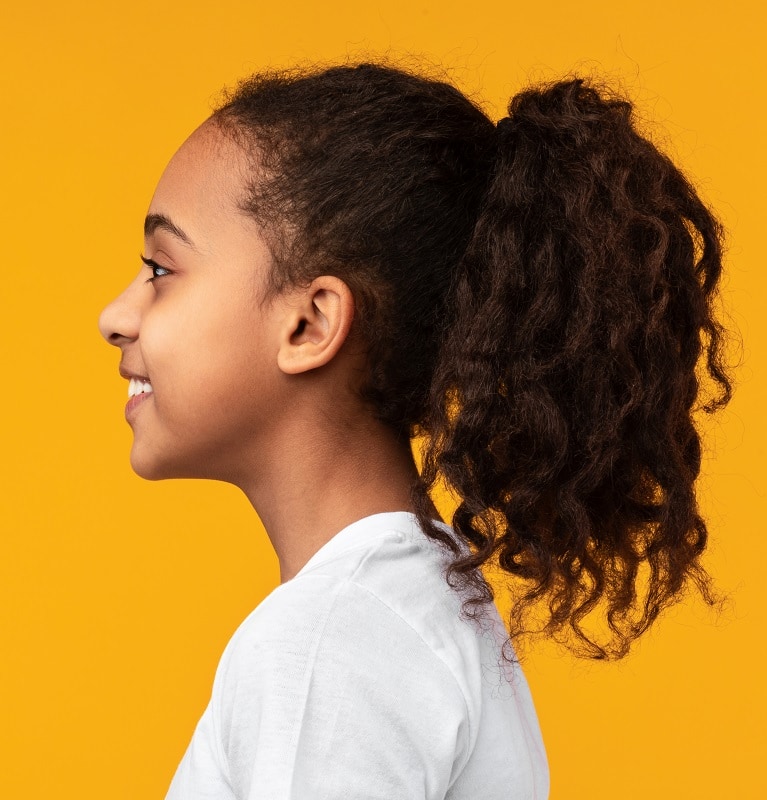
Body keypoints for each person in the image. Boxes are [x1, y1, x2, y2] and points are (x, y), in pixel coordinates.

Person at [98, 62, 731, 800]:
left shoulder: (331, 641)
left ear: (309, 323)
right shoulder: (405, 606)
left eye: (159, 268)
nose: (115, 316)